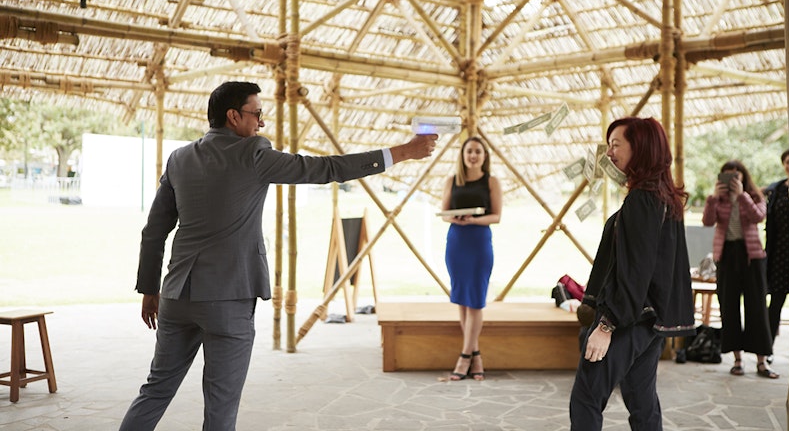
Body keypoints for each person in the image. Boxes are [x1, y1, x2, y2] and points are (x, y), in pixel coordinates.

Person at [119, 81, 438, 431]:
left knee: (156, 389)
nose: (261, 123)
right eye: (257, 114)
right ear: (233, 116)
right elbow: (326, 168)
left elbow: (154, 231)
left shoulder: (180, 159)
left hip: (176, 296)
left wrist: (150, 289)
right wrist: (402, 152)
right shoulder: (253, 154)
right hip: (229, 298)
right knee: (221, 405)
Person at [569, 117, 695, 431]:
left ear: (639, 148)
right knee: (642, 402)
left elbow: (635, 271)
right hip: (647, 321)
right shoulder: (661, 197)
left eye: (616, 145)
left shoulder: (643, 200)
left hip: (627, 319)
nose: (609, 153)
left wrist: (606, 324)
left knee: (586, 397)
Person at [702, 159, 777, 379]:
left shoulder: (754, 196)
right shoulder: (718, 199)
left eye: (737, 175)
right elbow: (707, 221)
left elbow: (759, 216)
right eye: (727, 175)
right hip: (726, 256)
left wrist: (742, 195)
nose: (733, 179)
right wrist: (713, 198)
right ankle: (737, 360)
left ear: (743, 176)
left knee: (757, 308)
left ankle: (762, 361)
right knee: (729, 307)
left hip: (751, 257)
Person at [440, 136, 502, 381]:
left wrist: (475, 220)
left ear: (484, 156)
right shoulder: (452, 181)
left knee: (475, 300)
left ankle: (464, 357)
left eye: (478, 151)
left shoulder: (492, 182)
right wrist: (454, 218)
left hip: (479, 241)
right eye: (469, 151)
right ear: (462, 155)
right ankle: (476, 356)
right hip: (456, 241)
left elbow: (497, 216)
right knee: (462, 300)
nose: (473, 155)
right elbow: (444, 212)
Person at [764, 149, 789, 363]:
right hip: (781, 254)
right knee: (775, 305)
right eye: (787, 162)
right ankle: (767, 349)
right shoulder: (777, 190)